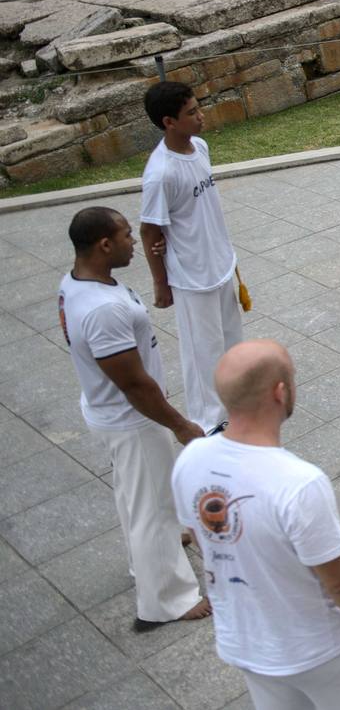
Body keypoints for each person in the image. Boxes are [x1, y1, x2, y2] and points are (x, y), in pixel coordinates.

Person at [172, 340, 340, 709]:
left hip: (246, 643)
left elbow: (205, 538)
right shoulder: (297, 482)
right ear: (280, 392)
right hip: (320, 650)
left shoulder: (191, 459)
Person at [58, 206, 210, 633]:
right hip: (132, 418)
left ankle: (148, 558)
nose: (134, 241)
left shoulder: (78, 282)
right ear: (104, 244)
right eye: (127, 235)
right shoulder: (102, 311)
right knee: (151, 510)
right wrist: (179, 424)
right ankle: (166, 600)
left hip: (110, 412)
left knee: (135, 496)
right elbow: (135, 385)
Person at [139, 81, 244, 432]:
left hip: (220, 264)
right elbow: (150, 231)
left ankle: (236, 405)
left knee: (230, 342)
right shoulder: (160, 173)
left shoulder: (200, 147)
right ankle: (208, 421)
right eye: (191, 113)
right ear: (169, 121)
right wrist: (161, 283)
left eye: (199, 108)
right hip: (190, 275)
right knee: (203, 353)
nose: (201, 116)